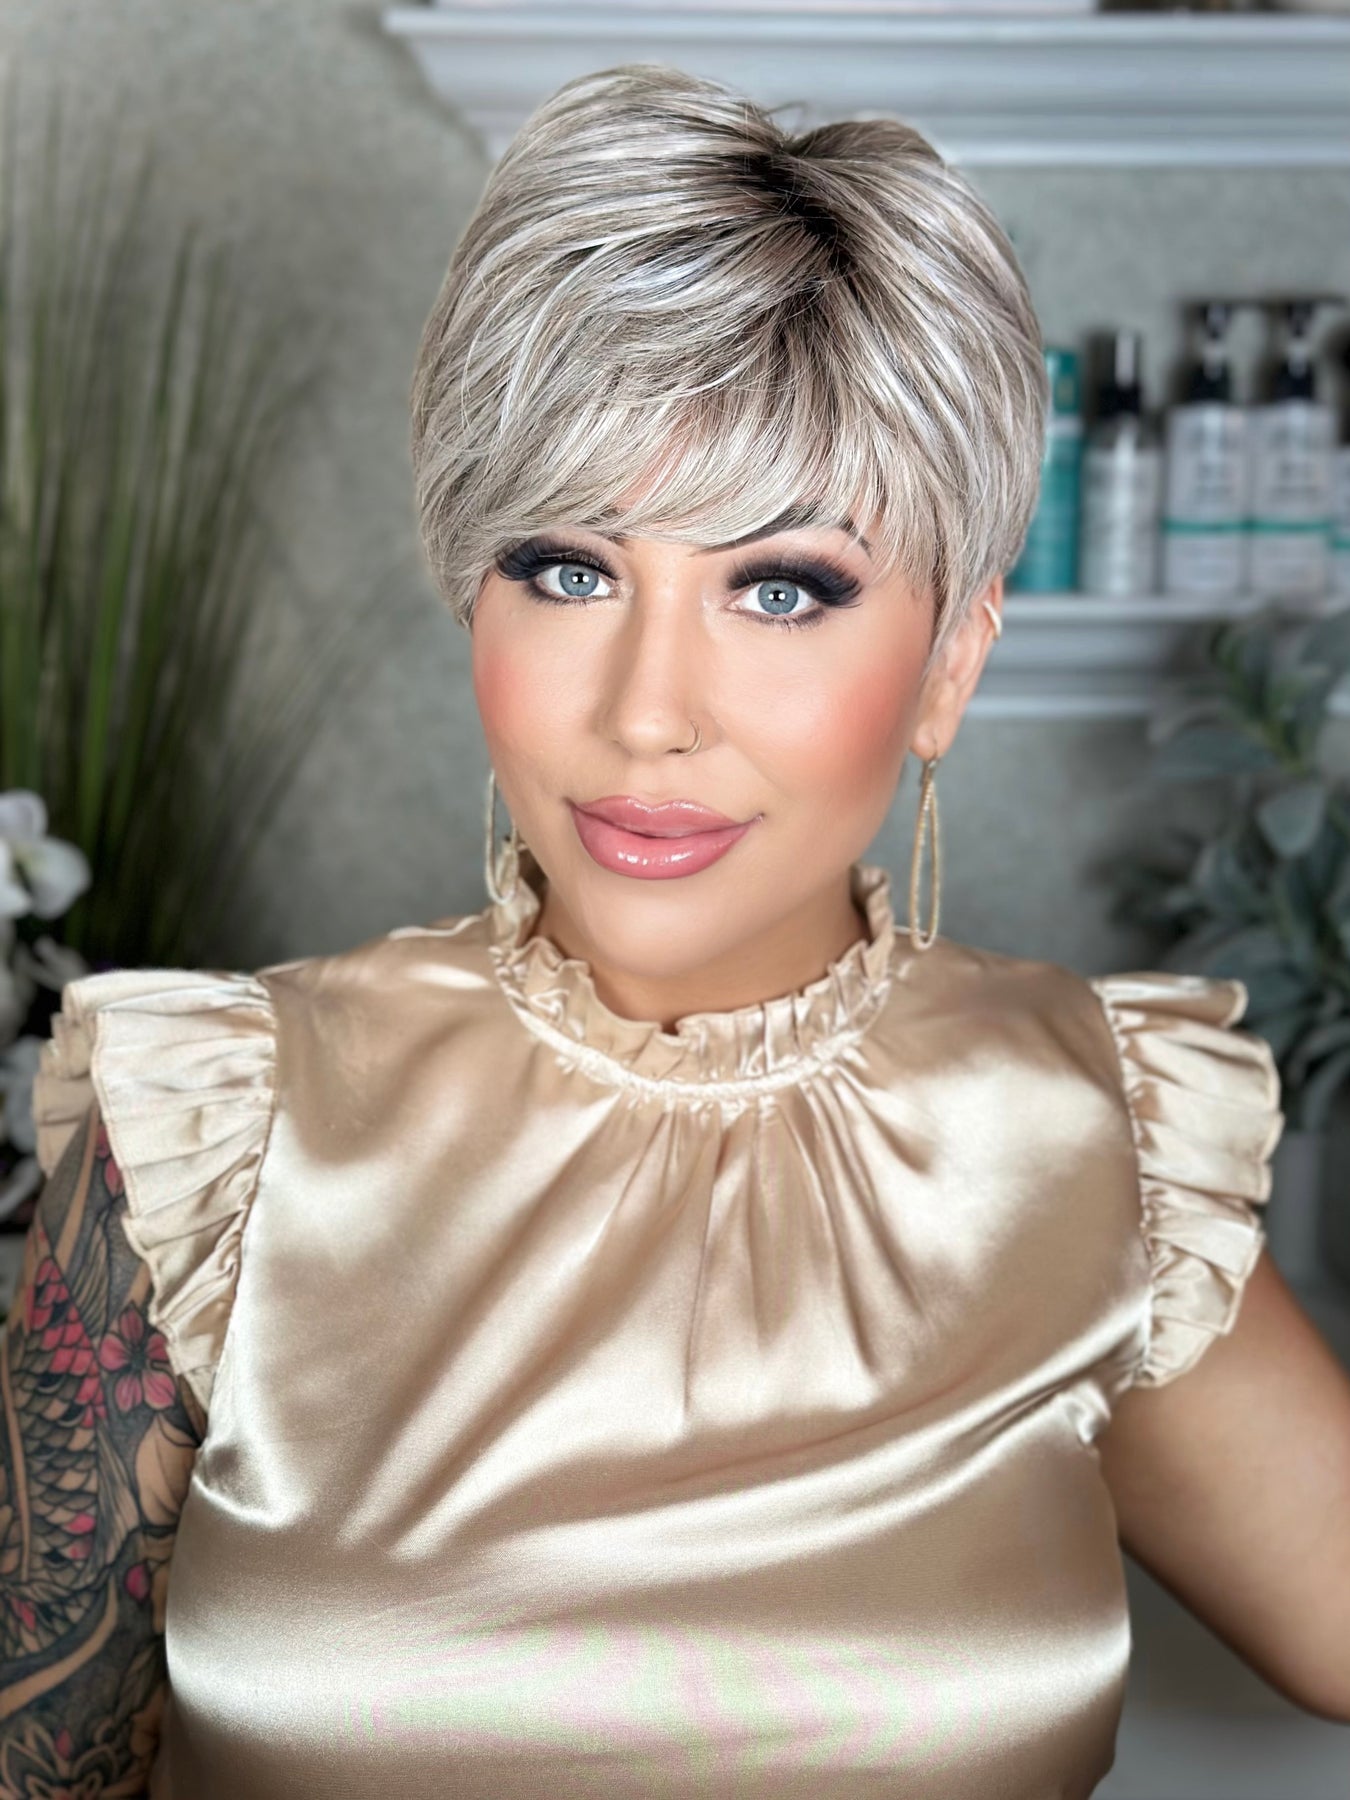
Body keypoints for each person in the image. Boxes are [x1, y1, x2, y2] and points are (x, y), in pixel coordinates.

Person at [4, 60, 1349, 1800]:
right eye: (568, 570)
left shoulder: (1104, 1136)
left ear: (950, 661)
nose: (648, 710)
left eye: (778, 589)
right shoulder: (208, 1133)